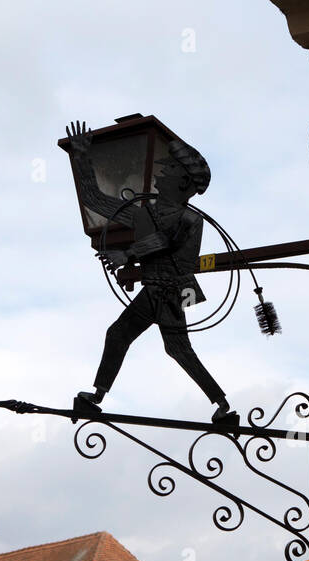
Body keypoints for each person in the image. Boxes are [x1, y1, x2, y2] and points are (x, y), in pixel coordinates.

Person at [65, 120, 237, 424]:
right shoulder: (147, 211)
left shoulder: (189, 219)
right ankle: (98, 395)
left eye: (168, 170)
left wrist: (128, 254)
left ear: (183, 183)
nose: (159, 173)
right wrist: (81, 157)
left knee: (174, 348)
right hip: (155, 290)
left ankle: (222, 405)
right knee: (139, 340)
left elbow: (164, 241)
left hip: (170, 292)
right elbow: (95, 200)